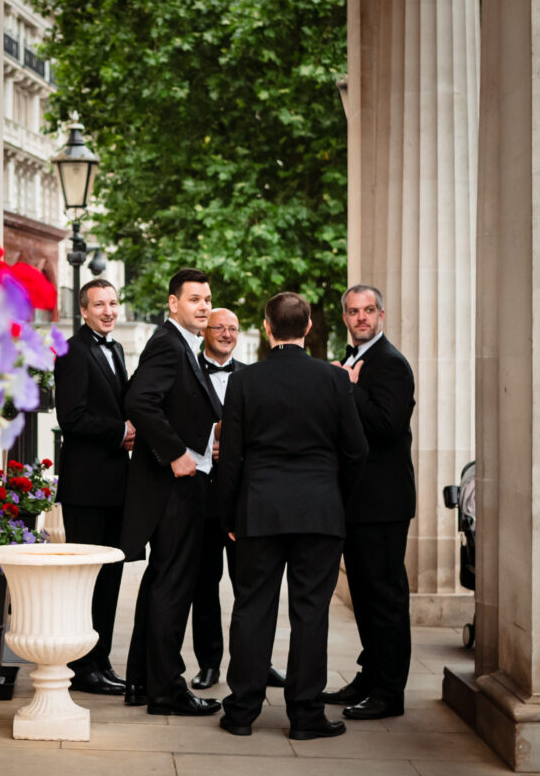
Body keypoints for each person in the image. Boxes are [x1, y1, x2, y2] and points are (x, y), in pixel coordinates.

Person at [216, 292, 367, 741]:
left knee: (252, 609)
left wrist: (228, 513)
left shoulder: (245, 381)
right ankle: (305, 715)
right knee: (310, 614)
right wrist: (336, 498)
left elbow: (232, 459)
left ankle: (241, 712)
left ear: (267, 328)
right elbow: (356, 451)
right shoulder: (334, 380)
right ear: (305, 329)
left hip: (259, 510)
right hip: (319, 511)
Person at [118, 268, 223, 717]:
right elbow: (139, 399)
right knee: (172, 588)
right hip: (173, 489)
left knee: (162, 584)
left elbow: (177, 404)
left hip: (180, 484)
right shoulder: (167, 343)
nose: (203, 306)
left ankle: (143, 681)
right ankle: (166, 690)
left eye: (207, 299)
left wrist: (203, 440)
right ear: (173, 303)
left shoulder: (183, 345)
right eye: (194, 299)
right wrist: (177, 452)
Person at [318, 284, 416, 720]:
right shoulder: (351, 360)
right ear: (345, 317)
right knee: (364, 595)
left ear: (382, 314)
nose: (361, 317)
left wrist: (350, 389)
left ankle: (388, 693)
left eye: (369, 310)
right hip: (355, 503)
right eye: (354, 311)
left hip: (383, 505)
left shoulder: (391, 365)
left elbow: (386, 427)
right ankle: (370, 674)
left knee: (385, 599)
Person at [187, 308, 286, 693]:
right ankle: (209, 664)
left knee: (253, 586)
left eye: (232, 328)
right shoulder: (188, 370)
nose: (226, 334)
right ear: (205, 332)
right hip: (200, 495)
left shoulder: (253, 375)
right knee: (204, 583)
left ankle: (259, 663)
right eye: (219, 327)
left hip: (246, 498)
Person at [53, 278, 134, 696]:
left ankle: (100, 659)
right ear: (83, 310)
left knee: (110, 577)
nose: (108, 311)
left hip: (116, 485)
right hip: (86, 486)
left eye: (113, 303)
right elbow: (71, 417)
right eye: (99, 304)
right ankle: (83, 667)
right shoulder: (71, 352)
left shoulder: (117, 349)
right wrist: (119, 430)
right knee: (87, 578)